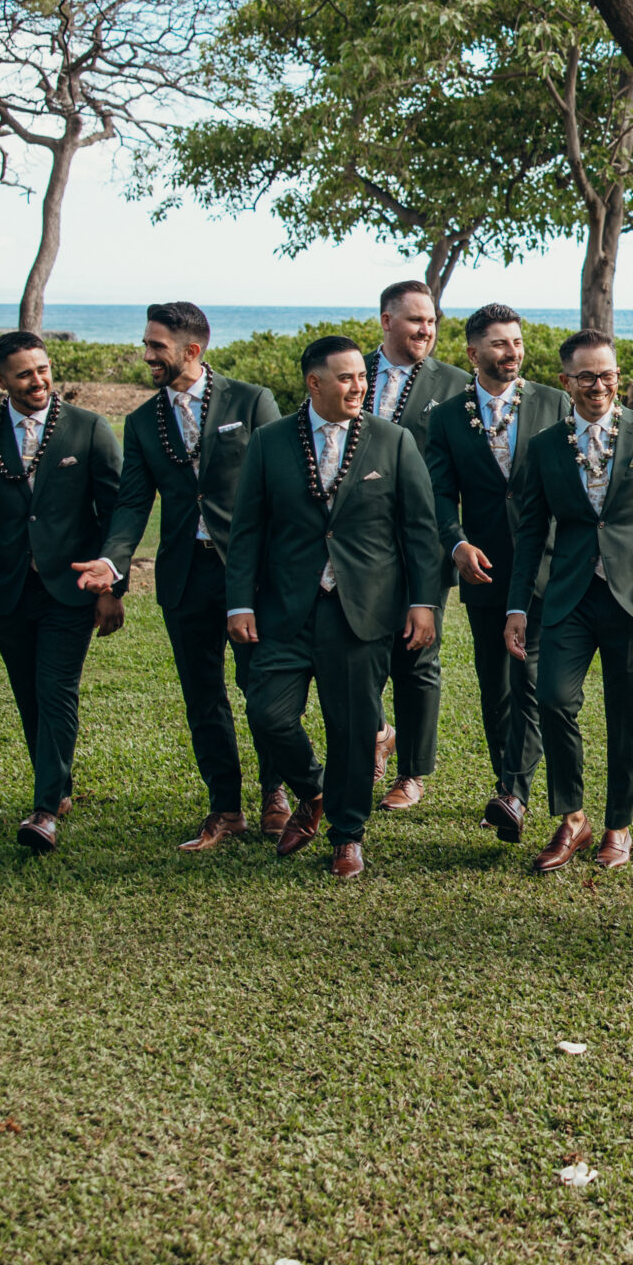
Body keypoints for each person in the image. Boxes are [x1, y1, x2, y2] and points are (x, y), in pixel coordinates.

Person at [75, 301, 293, 850]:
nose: (146, 355)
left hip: (250, 574)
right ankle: (225, 807)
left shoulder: (251, 401)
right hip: (183, 575)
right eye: (146, 344)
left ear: (192, 351)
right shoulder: (142, 421)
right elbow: (130, 506)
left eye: (156, 346)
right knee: (202, 696)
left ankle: (276, 795)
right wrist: (112, 562)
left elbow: (283, 487)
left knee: (261, 688)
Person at [227, 335, 445, 880]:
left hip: (364, 611)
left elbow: (420, 530)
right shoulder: (270, 442)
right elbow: (247, 530)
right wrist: (238, 602)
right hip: (284, 609)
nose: (358, 386)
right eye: (346, 378)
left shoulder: (392, 442)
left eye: (361, 378)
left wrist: (423, 602)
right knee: (268, 714)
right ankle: (315, 790)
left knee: (351, 729)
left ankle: (348, 836)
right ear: (313, 383)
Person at [505, 331, 633, 874]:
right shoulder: (544, 447)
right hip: (568, 595)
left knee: (626, 713)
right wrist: (518, 606)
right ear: (566, 382)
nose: (598, 385)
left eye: (606, 374)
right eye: (585, 376)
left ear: (618, 376)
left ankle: (618, 826)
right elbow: (531, 532)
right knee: (554, 700)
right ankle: (572, 818)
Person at [0, 333, 125, 852]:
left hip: (71, 588)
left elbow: (115, 512)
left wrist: (111, 585)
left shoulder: (89, 429)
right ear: (0, 380)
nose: (38, 381)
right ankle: (59, 785)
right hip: (8, 591)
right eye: (24, 374)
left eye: (43, 369)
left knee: (55, 690)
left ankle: (44, 809)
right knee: (28, 694)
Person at [424, 303, 572, 849]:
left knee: (529, 677)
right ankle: (506, 785)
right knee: (495, 686)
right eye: (499, 344)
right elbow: (438, 492)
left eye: (517, 343)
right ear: (472, 353)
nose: (512, 353)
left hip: (547, 565)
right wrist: (456, 543)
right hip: (482, 568)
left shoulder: (555, 402)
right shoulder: (445, 417)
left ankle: (514, 793)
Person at [365, 280, 477, 811]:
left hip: (426, 540)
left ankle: (411, 771)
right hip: (355, 544)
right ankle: (378, 733)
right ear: (386, 321)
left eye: (431, 321)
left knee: (417, 653)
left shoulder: (457, 384)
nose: (426, 331)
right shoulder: (350, 369)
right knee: (355, 650)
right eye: (414, 321)